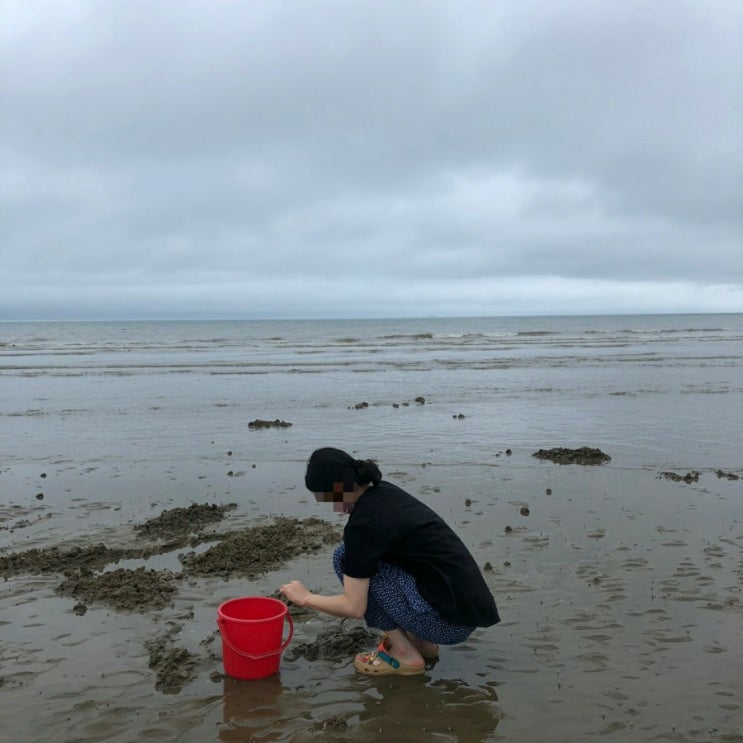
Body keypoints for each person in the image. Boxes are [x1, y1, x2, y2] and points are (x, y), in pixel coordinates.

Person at [280, 447, 500, 676]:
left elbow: (354, 608)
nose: (332, 507)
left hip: (447, 627)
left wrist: (305, 598)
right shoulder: (385, 492)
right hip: (467, 611)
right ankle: (421, 643)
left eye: (327, 498)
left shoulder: (362, 525)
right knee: (359, 560)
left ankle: (405, 653)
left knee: (344, 559)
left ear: (339, 488)